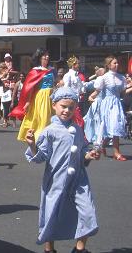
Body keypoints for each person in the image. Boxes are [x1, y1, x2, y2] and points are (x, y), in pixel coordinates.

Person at [25, 87, 99, 253]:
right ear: (54, 105)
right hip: (56, 180)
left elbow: (83, 151)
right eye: (63, 106)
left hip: (79, 181)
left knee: (87, 212)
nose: (67, 110)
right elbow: (40, 156)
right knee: (52, 215)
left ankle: (80, 249)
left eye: (71, 108)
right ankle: (49, 248)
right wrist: (32, 144)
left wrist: (89, 155)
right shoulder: (50, 131)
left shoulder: (78, 129)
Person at [10, 48, 55, 142]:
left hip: (51, 96)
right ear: (40, 58)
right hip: (41, 96)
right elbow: (30, 88)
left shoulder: (51, 69)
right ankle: (42, 137)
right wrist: (28, 102)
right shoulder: (36, 71)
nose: (47, 57)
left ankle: (51, 136)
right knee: (43, 117)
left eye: (47, 55)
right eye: (44, 55)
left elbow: (55, 83)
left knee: (51, 117)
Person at [88, 56, 128, 161]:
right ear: (109, 65)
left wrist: (130, 86)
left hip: (117, 103)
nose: (117, 65)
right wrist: (91, 97)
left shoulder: (121, 78)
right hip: (107, 104)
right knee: (112, 126)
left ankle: (102, 147)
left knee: (113, 126)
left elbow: (122, 94)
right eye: (114, 63)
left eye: (117, 63)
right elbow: (97, 91)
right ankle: (116, 152)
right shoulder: (105, 77)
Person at [62, 55, 85, 127]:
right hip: (71, 103)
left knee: (78, 122)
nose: (79, 65)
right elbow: (66, 89)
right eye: (77, 63)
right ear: (73, 65)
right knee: (78, 122)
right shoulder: (68, 75)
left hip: (77, 102)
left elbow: (81, 89)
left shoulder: (77, 76)